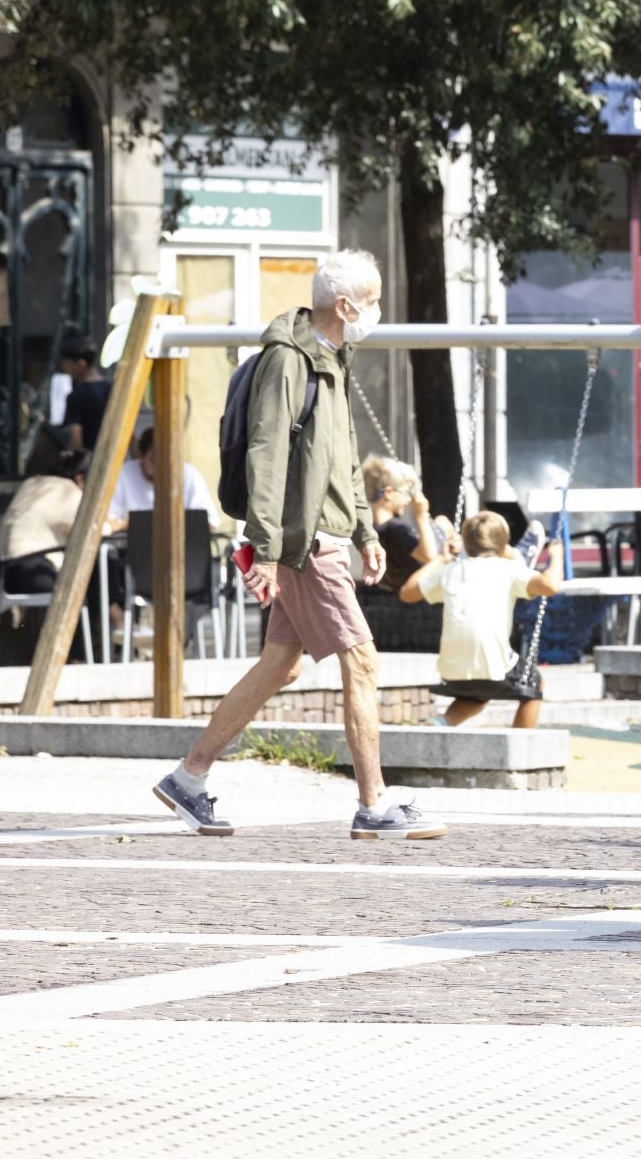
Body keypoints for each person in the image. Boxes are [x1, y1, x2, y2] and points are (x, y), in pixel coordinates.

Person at [152, 250, 445, 841]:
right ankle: (373, 805)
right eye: (375, 298)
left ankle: (188, 778)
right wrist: (265, 547)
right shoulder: (289, 361)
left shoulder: (332, 358)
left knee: (279, 666)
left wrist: (365, 530)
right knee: (361, 658)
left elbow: (341, 457)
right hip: (304, 541)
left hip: (323, 534)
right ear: (345, 305)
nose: (378, 309)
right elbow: (267, 456)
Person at [401, 510, 563, 729]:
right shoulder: (509, 569)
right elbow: (550, 585)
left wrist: (441, 558)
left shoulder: (450, 570)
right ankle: (519, 743)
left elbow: (407, 593)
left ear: (465, 544)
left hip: (452, 672)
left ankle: (441, 722)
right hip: (493, 669)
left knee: (477, 695)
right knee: (533, 684)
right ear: (504, 545)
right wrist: (556, 556)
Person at [0, 449, 89, 594]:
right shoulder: (69, 492)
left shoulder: (31, 482)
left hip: (2, 571)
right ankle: (116, 615)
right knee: (91, 576)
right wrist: (119, 524)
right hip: (33, 571)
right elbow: (92, 530)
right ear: (80, 479)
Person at [105, 427, 222, 535]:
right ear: (142, 456)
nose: (160, 465)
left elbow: (210, 522)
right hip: (130, 551)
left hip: (186, 549)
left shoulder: (190, 475)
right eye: (153, 459)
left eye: (165, 459)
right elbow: (109, 521)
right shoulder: (122, 474)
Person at [361, 455, 444, 590]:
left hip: (392, 594)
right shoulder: (397, 529)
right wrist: (421, 515)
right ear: (388, 493)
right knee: (443, 523)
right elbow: (428, 557)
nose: (408, 499)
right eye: (406, 493)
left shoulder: (372, 528)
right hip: (415, 595)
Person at [58, 339, 111, 453]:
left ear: (81, 364)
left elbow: (76, 442)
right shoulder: (112, 389)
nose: (64, 369)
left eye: (66, 364)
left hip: (91, 465)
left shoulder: (76, 396)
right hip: (116, 461)